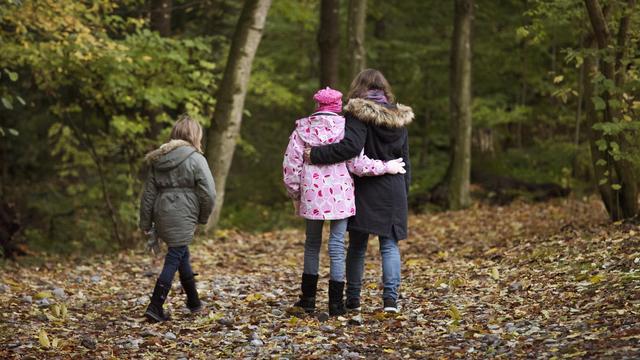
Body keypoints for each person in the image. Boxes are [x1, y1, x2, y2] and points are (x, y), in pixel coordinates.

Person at [283, 87, 406, 316]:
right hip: (341, 197)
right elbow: (357, 165)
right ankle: (336, 303)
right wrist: (385, 167)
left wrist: (295, 194)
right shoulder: (344, 129)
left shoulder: (301, 129)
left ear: (317, 105)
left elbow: (291, 165)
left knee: (312, 245)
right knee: (337, 247)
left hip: (311, 197)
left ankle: (308, 299)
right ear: (338, 106)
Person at [139, 115, 216, 322]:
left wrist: (146, 223)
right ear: (195, 135)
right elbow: (208, 193)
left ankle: (193, 301)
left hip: (162, 214)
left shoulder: (159, 159)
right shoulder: (197, 158)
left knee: (181, 253)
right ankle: (155, 305)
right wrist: (203, 217)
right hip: (185, 213)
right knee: (174, 257)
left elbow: (148, 194)